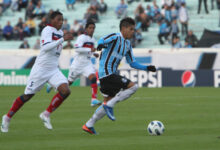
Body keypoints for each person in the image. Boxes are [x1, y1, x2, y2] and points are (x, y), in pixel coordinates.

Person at [1, 11, 73, 133]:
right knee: (28, 96)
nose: (61, 22)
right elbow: (45, 47)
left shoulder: (60, 32)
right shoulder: (47, 30)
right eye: (59, 19)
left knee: (66, 91)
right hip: (40, 69)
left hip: (53, 69)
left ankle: (46, 114)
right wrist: (62, 40)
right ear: (52, 20)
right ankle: (7, 118)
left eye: (62, 20)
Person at [82, 17, 156, 134]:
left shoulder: (127, 44)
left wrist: (146, 68)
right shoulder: (116, 37)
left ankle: (89, 124)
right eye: (131, 29)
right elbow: (102, 40)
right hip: (106, 73)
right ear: (124, 28)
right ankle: (110, 106)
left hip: (108, 76)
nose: (133, 32)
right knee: (133, 87)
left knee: (106, 102)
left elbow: (132, 63)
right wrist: (100, 45)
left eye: (134, 29)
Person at [47, 21, 101, 107]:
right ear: (86, 29)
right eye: (90, 28)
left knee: (93, 77)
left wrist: (93, 54)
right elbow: (77, 49)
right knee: (68, 83)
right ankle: (53, 85)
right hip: (77, 65)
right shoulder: (82, 37)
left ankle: (93, 99)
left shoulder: (93, 39)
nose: (92, 30)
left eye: (93, 28)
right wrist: (90, 50)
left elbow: (88, 51)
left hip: (87, 64)